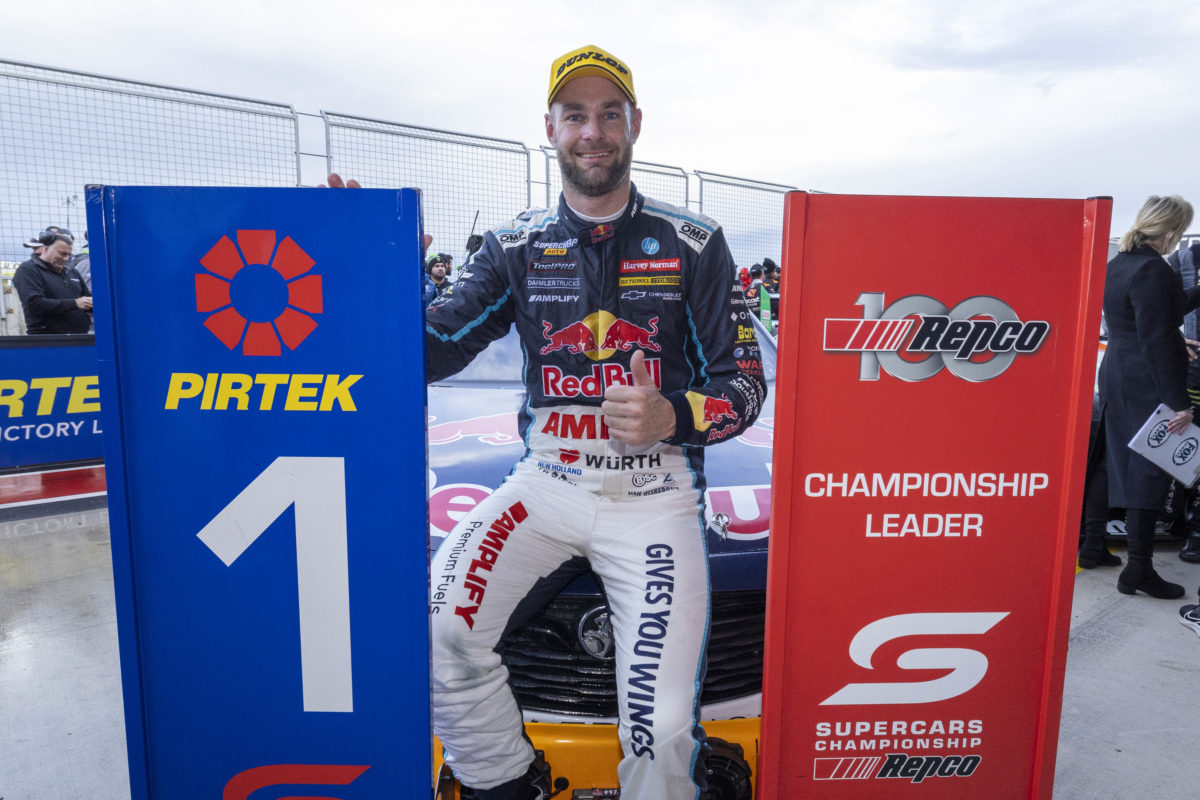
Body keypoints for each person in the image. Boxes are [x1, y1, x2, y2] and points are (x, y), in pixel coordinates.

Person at [336, 43, 766, 800]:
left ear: (635, 124)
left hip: (655, 496)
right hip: (546, 483)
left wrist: (672, 414)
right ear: (550, 129)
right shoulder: (514, 244)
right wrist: (360, 263)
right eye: (575, 115)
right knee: (436, 634)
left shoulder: (696, 242)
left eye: (608, 114)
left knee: (663, 729)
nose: (592, 131)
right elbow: (426, 349)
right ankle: (510, 784)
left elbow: (746, 384)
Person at [1096, 195, 1197, 598]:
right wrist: (1179, 402)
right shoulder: (1153, 269)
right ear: (1171, 230)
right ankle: (1138, 569)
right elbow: (1157, 338)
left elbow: (1158, 315)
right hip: (1145, 378)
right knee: (1149, 469)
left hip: (1118, 370)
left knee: (1116, 462)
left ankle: (1101, 549)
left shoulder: (1120, 264)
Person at [1166, 237, 1200, 562]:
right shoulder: (1183, 260)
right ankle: (1183, 523)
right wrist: (1177, 340)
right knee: (1186, 448)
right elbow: (1152, 312)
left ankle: (1196, 531)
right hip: (1191, 371)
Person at [13, 232, 92, 334]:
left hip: (79, 335)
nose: (66, 258)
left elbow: (86, 298)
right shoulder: (28, 270)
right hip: (48, 337)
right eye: (62, 254)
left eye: (69, 255)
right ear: (46, 249)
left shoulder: (71, 271)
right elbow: (34, 304)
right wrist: (75, 303)